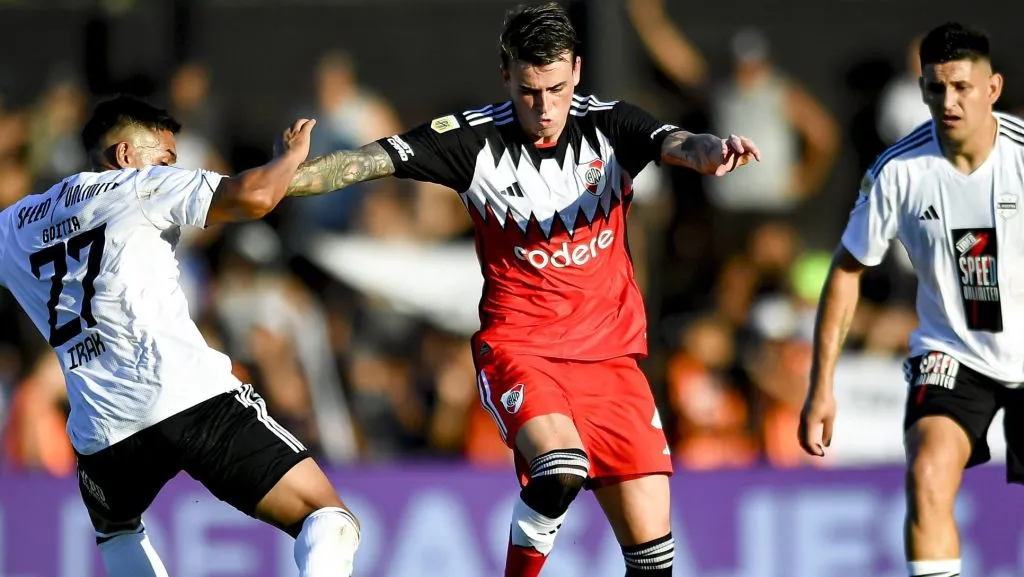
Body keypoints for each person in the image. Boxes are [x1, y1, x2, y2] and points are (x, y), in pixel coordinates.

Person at [285, 3, 759, 575]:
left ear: (577, 71)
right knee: (559, 469)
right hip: (524, 350)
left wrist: (713, 151)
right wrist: (286, 176)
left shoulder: (610, 124)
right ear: (506, 75)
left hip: (612, 361)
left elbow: (680, 142)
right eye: (531, 90)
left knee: (654, 564)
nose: (544, 107)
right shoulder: (471, 141)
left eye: (556, 88)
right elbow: (368, 161)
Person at [0, 95, 360, 577]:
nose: (174, 169)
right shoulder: (139, 186)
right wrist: (290, 157)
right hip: (185, 396)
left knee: (117, 530)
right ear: (126, 156)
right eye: (166, 159)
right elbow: (254, 196)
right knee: (328, 519)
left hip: (103, 431)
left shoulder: (15, 226)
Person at [799, 22, 1022, 577]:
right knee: (927, 474)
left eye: (962, 87)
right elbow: (846, 272)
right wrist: (821, 385)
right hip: (952, 353)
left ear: (992, 88)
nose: (948, 101)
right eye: (935, 88)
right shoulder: (898, 171)